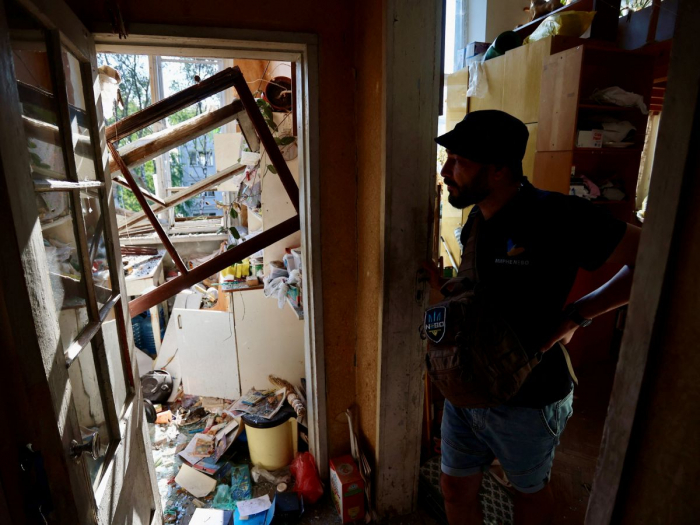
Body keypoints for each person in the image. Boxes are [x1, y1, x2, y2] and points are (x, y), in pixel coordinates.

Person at [433, 110, 641, 525]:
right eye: (449, 158)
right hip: (466, 391)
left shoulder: (557, 215)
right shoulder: (477, 219)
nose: (446, 170)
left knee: (526, 496)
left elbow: (650, 254)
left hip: (528, 399)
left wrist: (579, 314)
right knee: (455, 488)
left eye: (460, 161)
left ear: (498, 170)